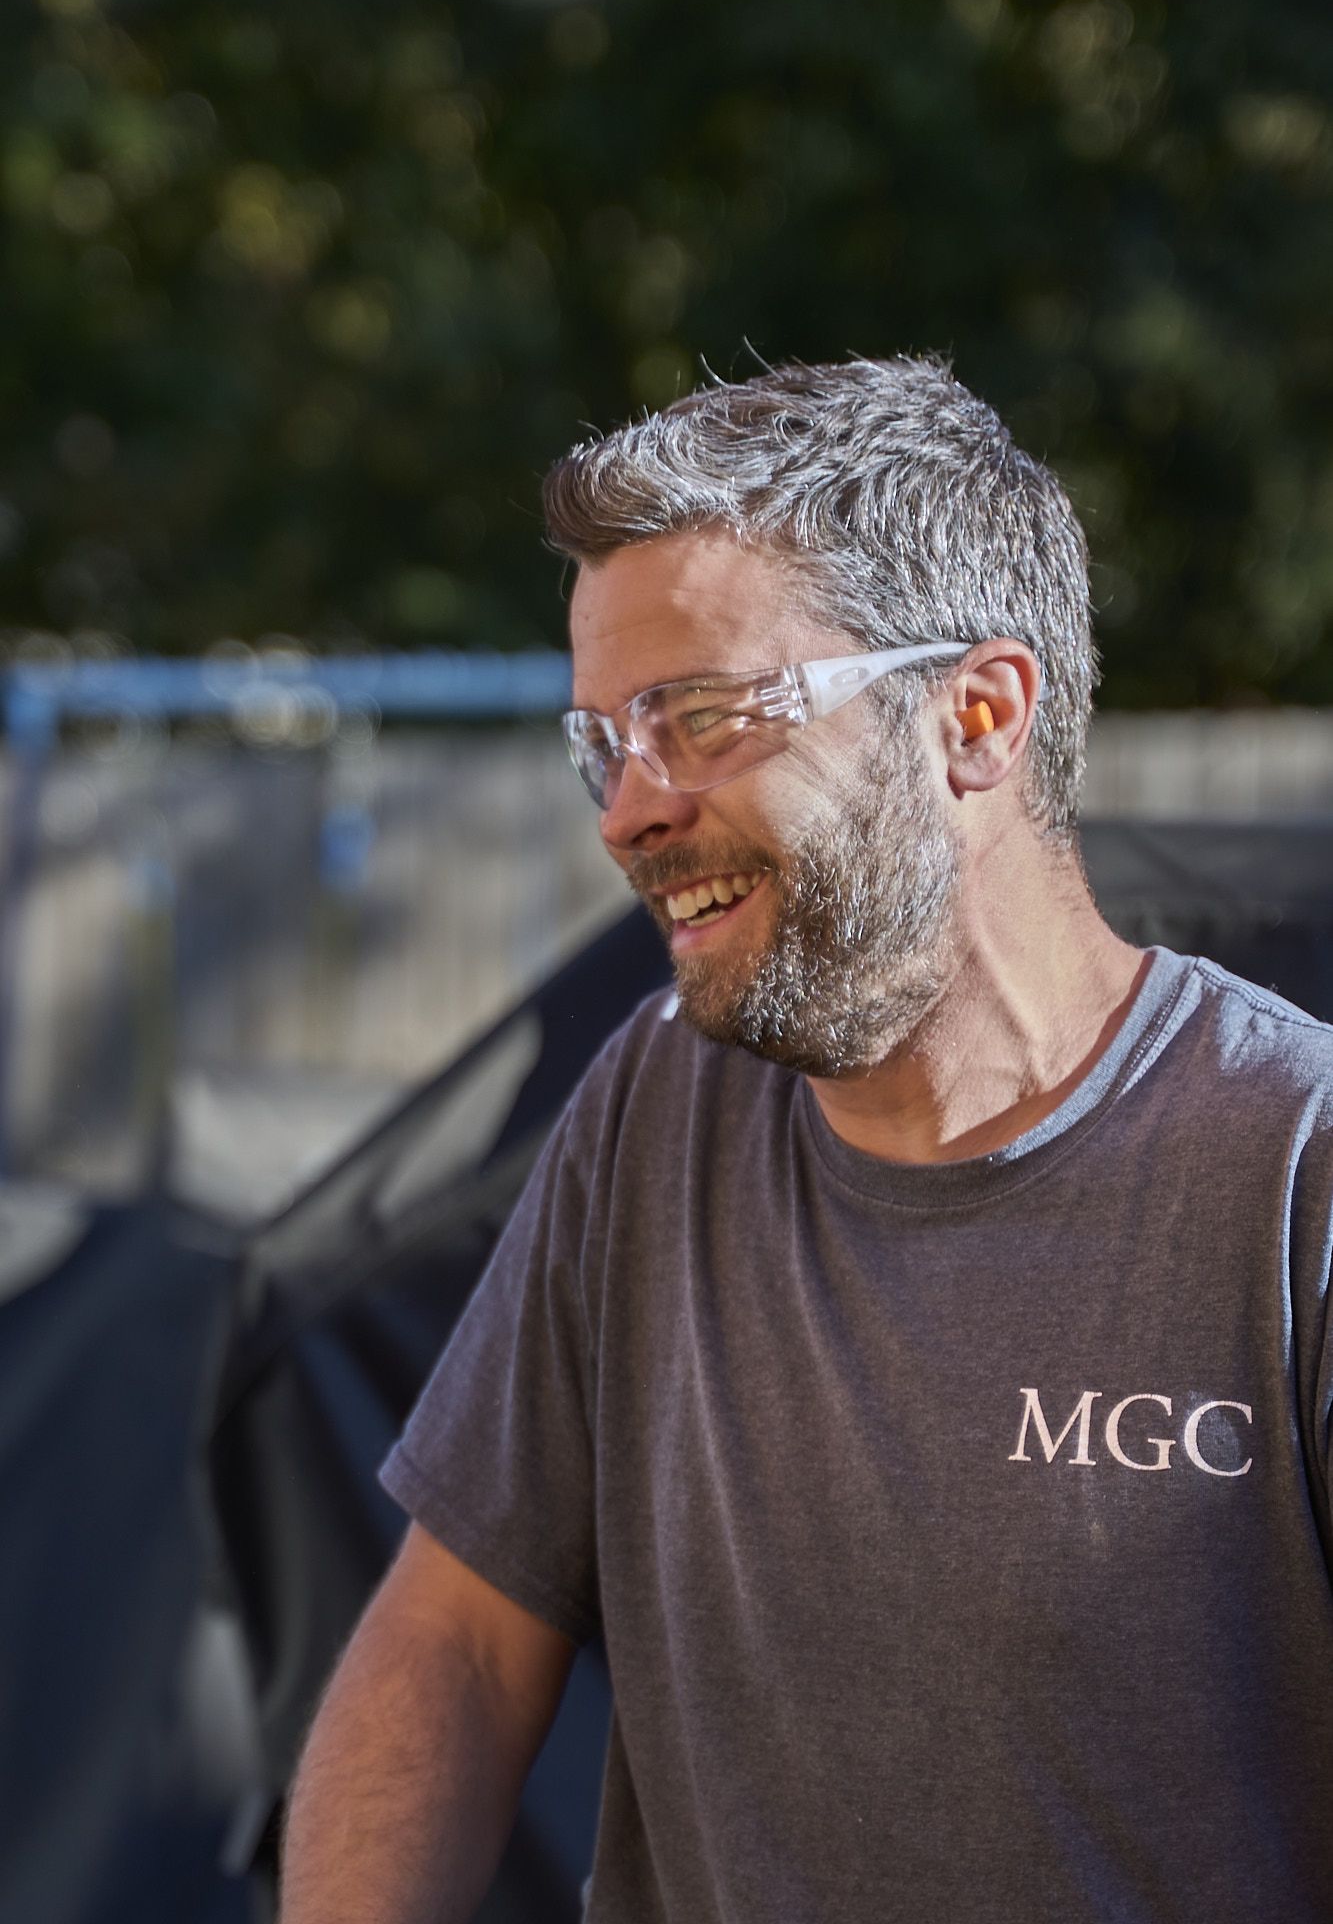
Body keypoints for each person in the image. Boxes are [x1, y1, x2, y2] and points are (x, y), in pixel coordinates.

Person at [280, 358, 1333, 1923]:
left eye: (700, 718)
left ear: (972, 717)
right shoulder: (655, 1108)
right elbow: (452, 1648)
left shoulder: (1291, 1171)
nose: (626, 810)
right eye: (604, 743)